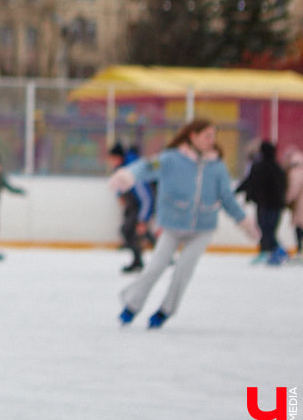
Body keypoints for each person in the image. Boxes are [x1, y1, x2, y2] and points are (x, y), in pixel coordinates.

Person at [108, 118, 259, 329]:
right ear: (193, 136)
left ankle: (165, 311)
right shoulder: (171, 159)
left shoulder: (216, 166)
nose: (211, 140)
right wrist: (127, 175)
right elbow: (146, 166)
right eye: (207, 136)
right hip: (172, 225)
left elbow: (226, 198)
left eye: (213, 136)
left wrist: (244, 222)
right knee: (155, 267)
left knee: (183, 272)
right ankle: (132, 305)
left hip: (202, 228)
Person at [235, 140, 289, 264]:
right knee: (269, 229)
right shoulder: (278, 168)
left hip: (265, 203)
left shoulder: (260, 167)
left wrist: (236, 192)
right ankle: (269, 252)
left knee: (265, 229)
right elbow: (283, 186)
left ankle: (275, 252)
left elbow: (250, 182)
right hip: (276, 205)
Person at [109, 141, 152, 273]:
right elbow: (120, 184)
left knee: (129, 230)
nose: (110, 162)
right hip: (133, 204)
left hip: (140, 205)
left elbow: (146, 197)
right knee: (130, 231)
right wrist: (120, 194)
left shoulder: (132, 172)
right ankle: (139, 260)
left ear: (119, 157)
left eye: (112, 159)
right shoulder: (122, 168)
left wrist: (143, 219)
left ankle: (139, 261)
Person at [285, 147, 303, 257]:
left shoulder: (296, 172)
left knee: (299, 227)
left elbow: (293, 190)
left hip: (300, 205)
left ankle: (300, 249)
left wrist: (285, 200)